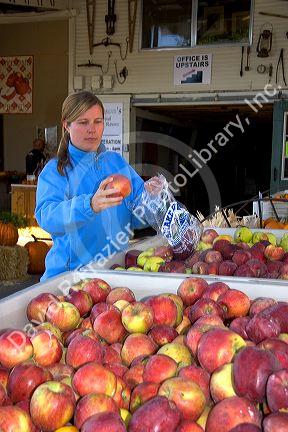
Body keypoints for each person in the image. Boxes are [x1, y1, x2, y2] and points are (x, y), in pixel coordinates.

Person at [35, 91, 153, 281]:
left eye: (98, 121)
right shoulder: (56, 171)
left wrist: (154, 199)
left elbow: (138, 215)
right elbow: (47, 217)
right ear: (66, 125)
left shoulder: (116, 162)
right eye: (83, 122)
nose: (92, 129)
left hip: (114, 272)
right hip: (69, 279)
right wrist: (89, 205)